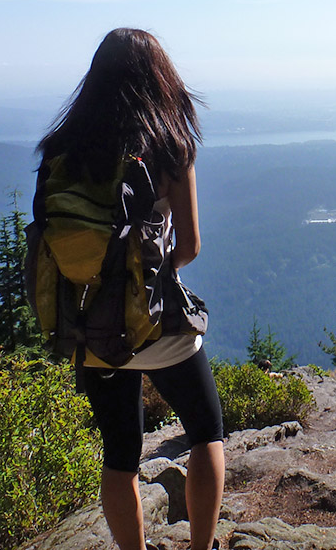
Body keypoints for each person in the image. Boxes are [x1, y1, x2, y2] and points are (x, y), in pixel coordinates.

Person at [37, 28, 224, 550]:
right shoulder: (170, 146)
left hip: (94, 328)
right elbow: (190, 245)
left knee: (120, 455)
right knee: (207, 431)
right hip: (161, 325)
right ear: (159, 78)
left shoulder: (61, 150)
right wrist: (152, 269)